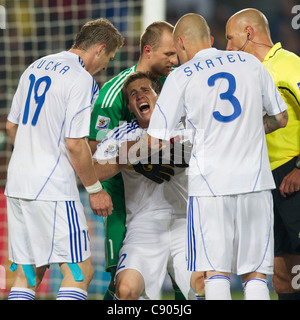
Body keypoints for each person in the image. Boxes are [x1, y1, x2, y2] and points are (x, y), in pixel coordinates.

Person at [146, 13, 288, 300]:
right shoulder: (250, 63)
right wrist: (250, 128)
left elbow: (155, 140)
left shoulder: (181, 76)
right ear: (209, 37)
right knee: (256, 274)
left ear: (181, 42)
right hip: (256, 183)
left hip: (209, 186)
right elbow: (281, 118)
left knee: (215, 271)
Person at [5, 18, 123, 300]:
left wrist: (34, 152)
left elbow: (11, 126)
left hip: (18, 183)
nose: (106, 65)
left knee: (28, 273)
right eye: (109, 57)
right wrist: (95, 190)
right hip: (53, 187)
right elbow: (74, 144)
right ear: (100, 49)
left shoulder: (35, 66)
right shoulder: (81, 79)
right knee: (79, 271)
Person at [88, 21, 184, 300]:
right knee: (121, 280)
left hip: (178, 197)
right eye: (168, 54)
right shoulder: (113, 94)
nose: (174, 60)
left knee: (187, 279)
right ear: (148, 50)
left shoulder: (177, 80)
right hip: (126, 197)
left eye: (176, 53)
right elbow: (96, 152)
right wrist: (133, 157)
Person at [93, 71, 197, 300]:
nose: (139, 96)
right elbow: (95, 170)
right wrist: (134, 154)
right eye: (133, 94)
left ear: (159, 96)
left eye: (145, 90)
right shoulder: (120, 134)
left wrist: (153, 154)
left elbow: (195, 153)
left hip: (185, 222)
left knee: (203, 289)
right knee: (126, 290)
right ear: (130, 107)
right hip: (144, 225)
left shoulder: (183, 123)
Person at [225, 8, 300, 300]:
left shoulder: (288, 65)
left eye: (231, 39)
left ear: (248, 32)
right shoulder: (246, 73)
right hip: (265, 181)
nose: (228, 47)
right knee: (283, 272)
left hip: (291, 174)